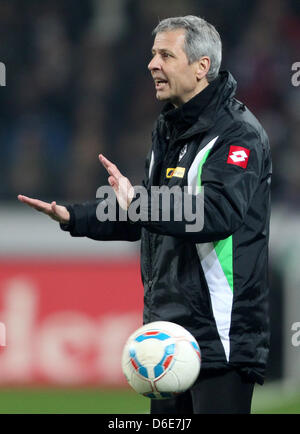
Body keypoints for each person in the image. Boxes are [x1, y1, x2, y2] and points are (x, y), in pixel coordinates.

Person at [18, 15, 272, 414]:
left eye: (165, 55)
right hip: (166, 334)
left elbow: (218, 213)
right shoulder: (167, 129)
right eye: (154, 54)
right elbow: (146, 213)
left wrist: (138, 202)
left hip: (220, 338)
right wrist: (75, 216)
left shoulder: (238, 134)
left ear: (201, 67)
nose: (152, 64)